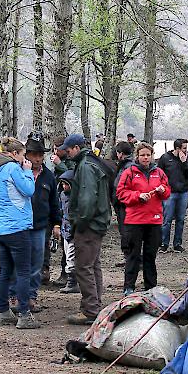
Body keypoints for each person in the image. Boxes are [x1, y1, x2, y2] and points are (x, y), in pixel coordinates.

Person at [0, 137, 39, 329]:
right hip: (17, 227)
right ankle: (24, 315)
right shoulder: (13, 168)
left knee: (5, 272)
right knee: (23, 272)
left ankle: (3, 312)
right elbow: (29, 190)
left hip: (0, 227)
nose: (25, 159)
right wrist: (27, 171)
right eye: (23, 155)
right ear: (14, 154)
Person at [61, 134, 111, 325]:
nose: (66, 153)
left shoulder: (85, 167)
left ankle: (90, 310)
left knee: (83, 267)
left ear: (75, 148)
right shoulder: (92, 163)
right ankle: (95, 306)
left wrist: (79, 223)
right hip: (96, 223)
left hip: (89, 225)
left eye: (68, 149)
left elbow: (87, 199)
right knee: (93, 265)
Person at [9, 133, 60, 311]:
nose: (38, 158)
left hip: (40, 226)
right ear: (26, 155)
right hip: (19, 225)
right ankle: (14, 296)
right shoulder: (16, 173)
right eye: (34, 155)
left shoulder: (48, 177)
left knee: (37, 263)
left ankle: (31, 296)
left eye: (40, 155)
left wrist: (56, 223)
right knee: (17, 262)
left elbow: (55, 202)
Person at [116, 142, 171, 296]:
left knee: (150, 256)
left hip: (154, 221)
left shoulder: (159, 172)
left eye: (148, 155)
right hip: (134, 221)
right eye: (142, 155)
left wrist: (162, 190)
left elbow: (167, 192)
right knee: (133, 255)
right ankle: (129, 288)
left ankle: (151, 288)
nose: (146, 158)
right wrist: (137, 196)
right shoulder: (129, 172)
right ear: (137, 156)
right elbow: (121, 193)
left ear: (152, 156)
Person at [157, 138, 188, 253]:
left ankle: (177, 244)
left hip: (183, 192)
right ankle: (164, 244)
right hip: (170, 193)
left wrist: (184, 163)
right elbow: (159, 174)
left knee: (180, 219)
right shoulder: (165, 158)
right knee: (167, 219)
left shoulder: (187, 158)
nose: (186, 150)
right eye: (184, 148)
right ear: (177, 148)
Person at [57, 170, 79, 294]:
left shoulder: (76, 197)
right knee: (67, 254)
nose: (64, 187)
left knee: (71, 256)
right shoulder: (62, 195)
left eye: (67, 184)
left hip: (73, 230)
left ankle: (72, 282)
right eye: (62, 184)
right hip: (65, 229)